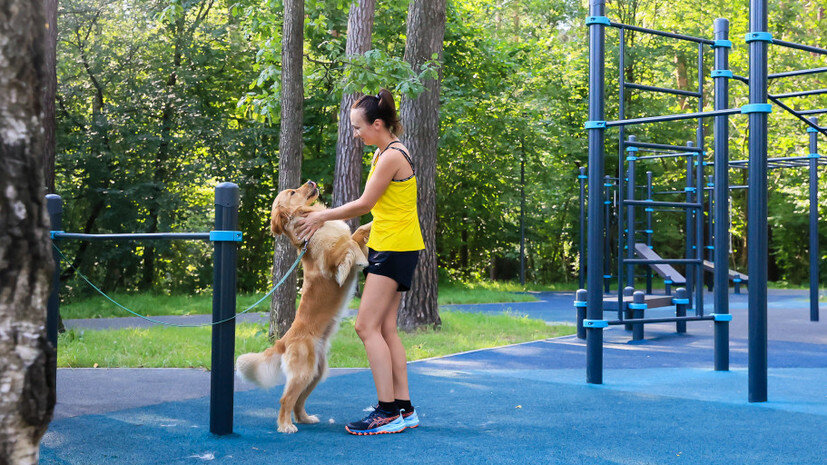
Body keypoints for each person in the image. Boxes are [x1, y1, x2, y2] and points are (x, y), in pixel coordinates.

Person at [295, 88, 425, 435]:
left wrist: (321, 218)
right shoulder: (386, 152)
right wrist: (369, 227)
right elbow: (393, 206)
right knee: (385, 329)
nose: (355, 134)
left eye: (358, 127)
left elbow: (365, 202)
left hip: (394, 250)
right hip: (395, 244)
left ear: (378, 124)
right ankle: (403, 408)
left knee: (365, 326)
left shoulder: (391, 157)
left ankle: (386, 413)